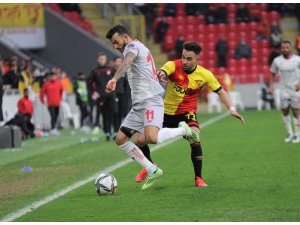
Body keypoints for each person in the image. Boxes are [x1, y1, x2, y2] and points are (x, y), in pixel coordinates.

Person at [133, 41, 245, 187]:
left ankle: (198, 178)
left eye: (189, 59)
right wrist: (160, 74)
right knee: (138, 141)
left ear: (197, 59)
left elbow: (221, 91)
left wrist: (231, 109)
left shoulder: (205, 75)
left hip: (186, 113)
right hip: (164, 112)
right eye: (183, 57)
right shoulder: (174, 65)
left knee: (195, 138)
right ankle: (150, 166)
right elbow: (164, 70)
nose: (184, 61)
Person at [105, 24, 199, 190]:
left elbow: (127, 61)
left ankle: (183, 130)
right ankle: (152, 169)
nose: (116, 46)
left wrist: (114, 79)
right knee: (120, 139)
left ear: (125, 37)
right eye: (113, 44)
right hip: (139, 104)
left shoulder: (132, 47)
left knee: (152, 138)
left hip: (150, 100)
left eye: (116, 41)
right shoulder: (140, 46)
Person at [269, 40, 300, 143]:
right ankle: (289, 133)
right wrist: (271, 86)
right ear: (280, 49)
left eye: (287, 47)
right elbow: (272, 73)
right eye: (283, 48)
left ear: (290, 48)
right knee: (285, 110)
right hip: (283, 90)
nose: (285, 49)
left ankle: (297, 134)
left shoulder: (298, 59)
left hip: (295, 90)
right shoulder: (277, 61)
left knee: (295, 111)